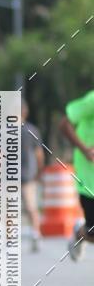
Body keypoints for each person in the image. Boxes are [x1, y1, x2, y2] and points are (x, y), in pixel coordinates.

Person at [60, 90, 94, 261]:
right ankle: (79, 233)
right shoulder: (92, 101)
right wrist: (85, 150)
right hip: (90, 178)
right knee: (93, 233)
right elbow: (64, 124)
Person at [20, 100, 45, 252]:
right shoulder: (32, 130)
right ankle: (35, 234)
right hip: (28, 174)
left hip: (15, 176)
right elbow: (39, 154)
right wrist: (39, 172)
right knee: (31, 207)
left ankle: (11, 240)